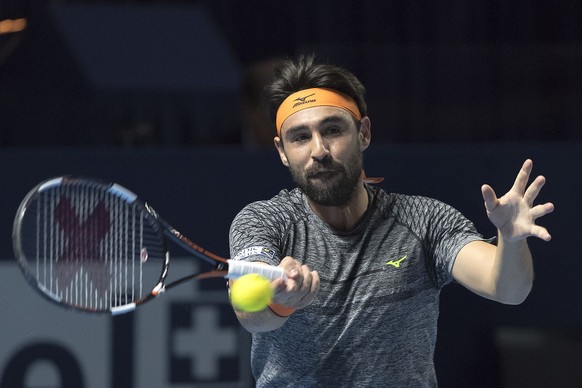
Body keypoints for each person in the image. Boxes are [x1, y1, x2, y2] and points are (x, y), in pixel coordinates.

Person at [228, 55, 554, 387]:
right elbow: (250, 313)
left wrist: (511, 241)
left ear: (363, 133)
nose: (320, 150)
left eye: (332, 130)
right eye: (300, 137)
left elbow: (508, 289)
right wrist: (279, 300)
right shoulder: (262, 222)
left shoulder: (425, 221)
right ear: (282, 151)